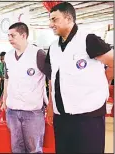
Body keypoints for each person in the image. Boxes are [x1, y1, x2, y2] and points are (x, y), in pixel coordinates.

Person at [45, 2, 114, 153]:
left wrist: (103, 81)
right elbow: (53, 78)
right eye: (50, 20)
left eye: (54, 19)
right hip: (62, 117)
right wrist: (51, 106)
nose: (51, 24)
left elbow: (113, 62)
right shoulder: (53, 47)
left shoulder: (88, 40)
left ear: (69, 19)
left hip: (88, 116)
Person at [1, 22, 47, 153]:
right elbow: (7, 80)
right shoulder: (9, 56)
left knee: (34, 149)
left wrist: (50, 104)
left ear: (23, 35)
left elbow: (52, 78)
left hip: (32, 112)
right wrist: (4, 101)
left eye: (13, 35)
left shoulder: (38, 54)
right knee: (16, 148)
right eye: (8, 35)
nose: (9, 39)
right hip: (12, 111)